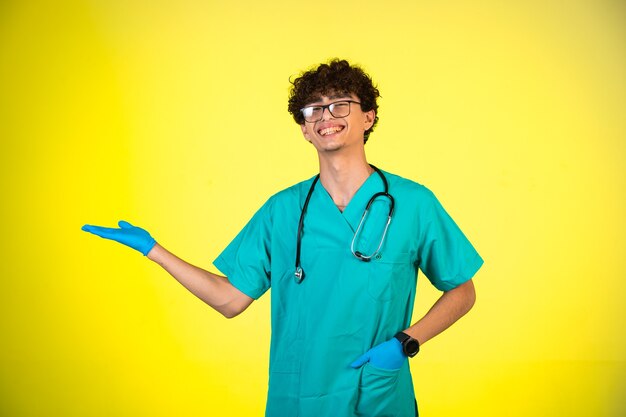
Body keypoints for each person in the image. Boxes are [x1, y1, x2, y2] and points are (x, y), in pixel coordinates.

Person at [82, 59, 483, 417]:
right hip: (300, 395)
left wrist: (406, 342)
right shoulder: (282, 210)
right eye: (313, 110)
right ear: (306, 130)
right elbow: (230, 300)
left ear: (369, 117)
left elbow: (462, 290)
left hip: (377, 390)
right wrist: (155, 251)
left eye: (340, 104)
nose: (326, 116)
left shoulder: (413, 203)